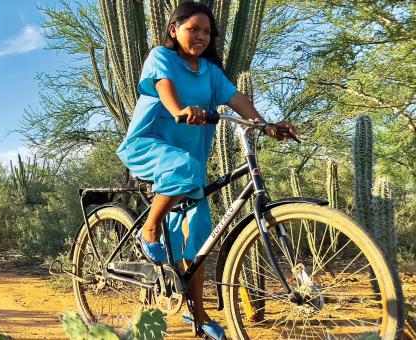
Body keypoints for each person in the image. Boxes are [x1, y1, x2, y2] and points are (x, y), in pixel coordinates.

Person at [115, 2, 298, 339]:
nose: (200, 36)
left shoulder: (211, 72)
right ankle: (150, 231)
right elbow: (164, 87)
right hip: (149, 145)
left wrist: (267, 125)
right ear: (174, 30)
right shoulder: (161, 57)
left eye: (206, 32)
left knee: (197, 244)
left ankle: (198, 317)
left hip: (188, 166)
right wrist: (180, 110)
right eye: (193, 29)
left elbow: (237, 100)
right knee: (182, 168)